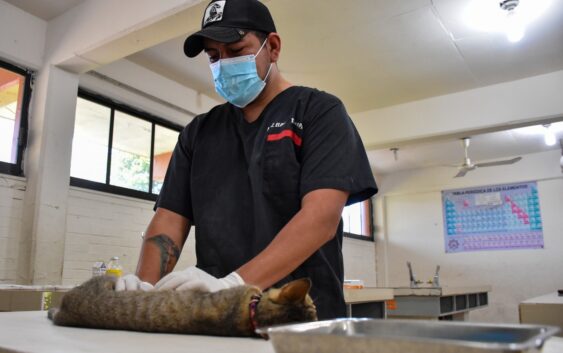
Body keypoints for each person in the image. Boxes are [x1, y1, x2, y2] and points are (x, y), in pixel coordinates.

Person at [116, 0, 377, 320]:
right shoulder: (198, 134)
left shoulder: (317, 112)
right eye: (214, 56)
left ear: (274, 47)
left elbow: (320, 219)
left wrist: (235, 284)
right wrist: (144, 288)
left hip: (300, 316)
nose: (224, 63)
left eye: (237, 50)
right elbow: (169, 220)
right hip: (219, 317)